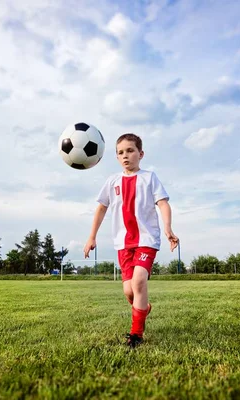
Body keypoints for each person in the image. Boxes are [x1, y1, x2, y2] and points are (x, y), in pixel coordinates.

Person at [83, 133, 179, 348]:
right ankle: (143, 307)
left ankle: (136, 335)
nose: (125, 156)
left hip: (147, 239)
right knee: (129, 291)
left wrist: (168, 228)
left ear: (140, 154)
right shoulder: (112, 181)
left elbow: (163, 203)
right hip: (123, 243)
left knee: (138, 282)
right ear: (116, 158)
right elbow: (101, 208)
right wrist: (92, 237)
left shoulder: (150, 177)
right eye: (120, 152)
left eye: (130, 151)